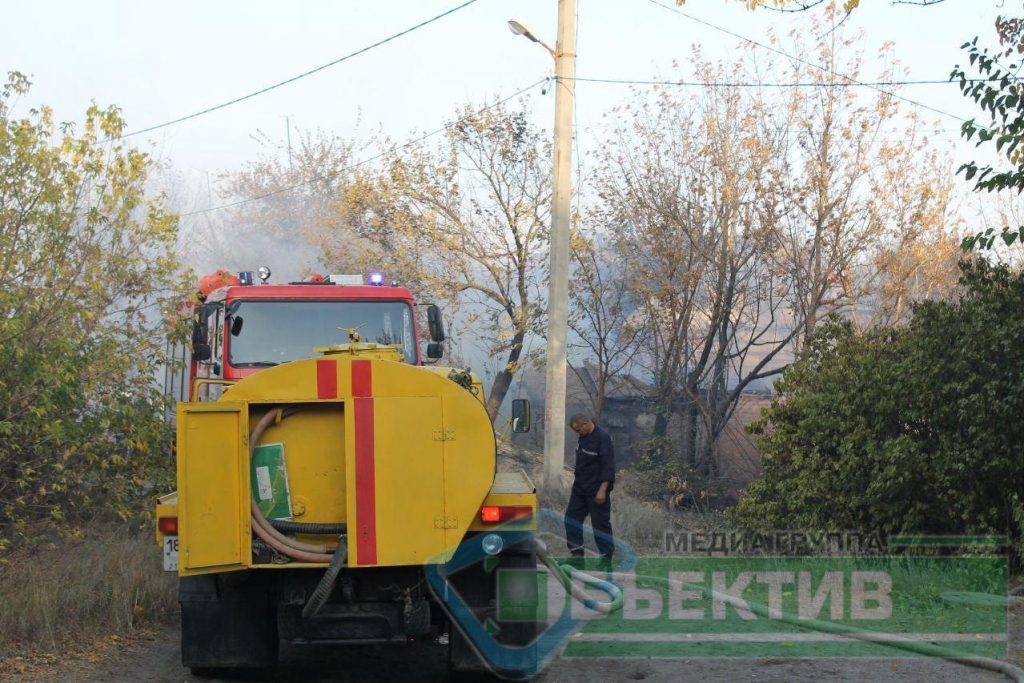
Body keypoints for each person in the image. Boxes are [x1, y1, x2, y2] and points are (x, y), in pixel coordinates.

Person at [564, 413, 615, 565]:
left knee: (600, 525)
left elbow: (608, 466)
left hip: (596, 490)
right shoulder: (583, 437)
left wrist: (603, 490)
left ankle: (606, 558)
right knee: (571, 520)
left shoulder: (603, 438)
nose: (577, 433)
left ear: (585, 425)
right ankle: (577, 555)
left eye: (579, 430)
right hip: (580, 488)